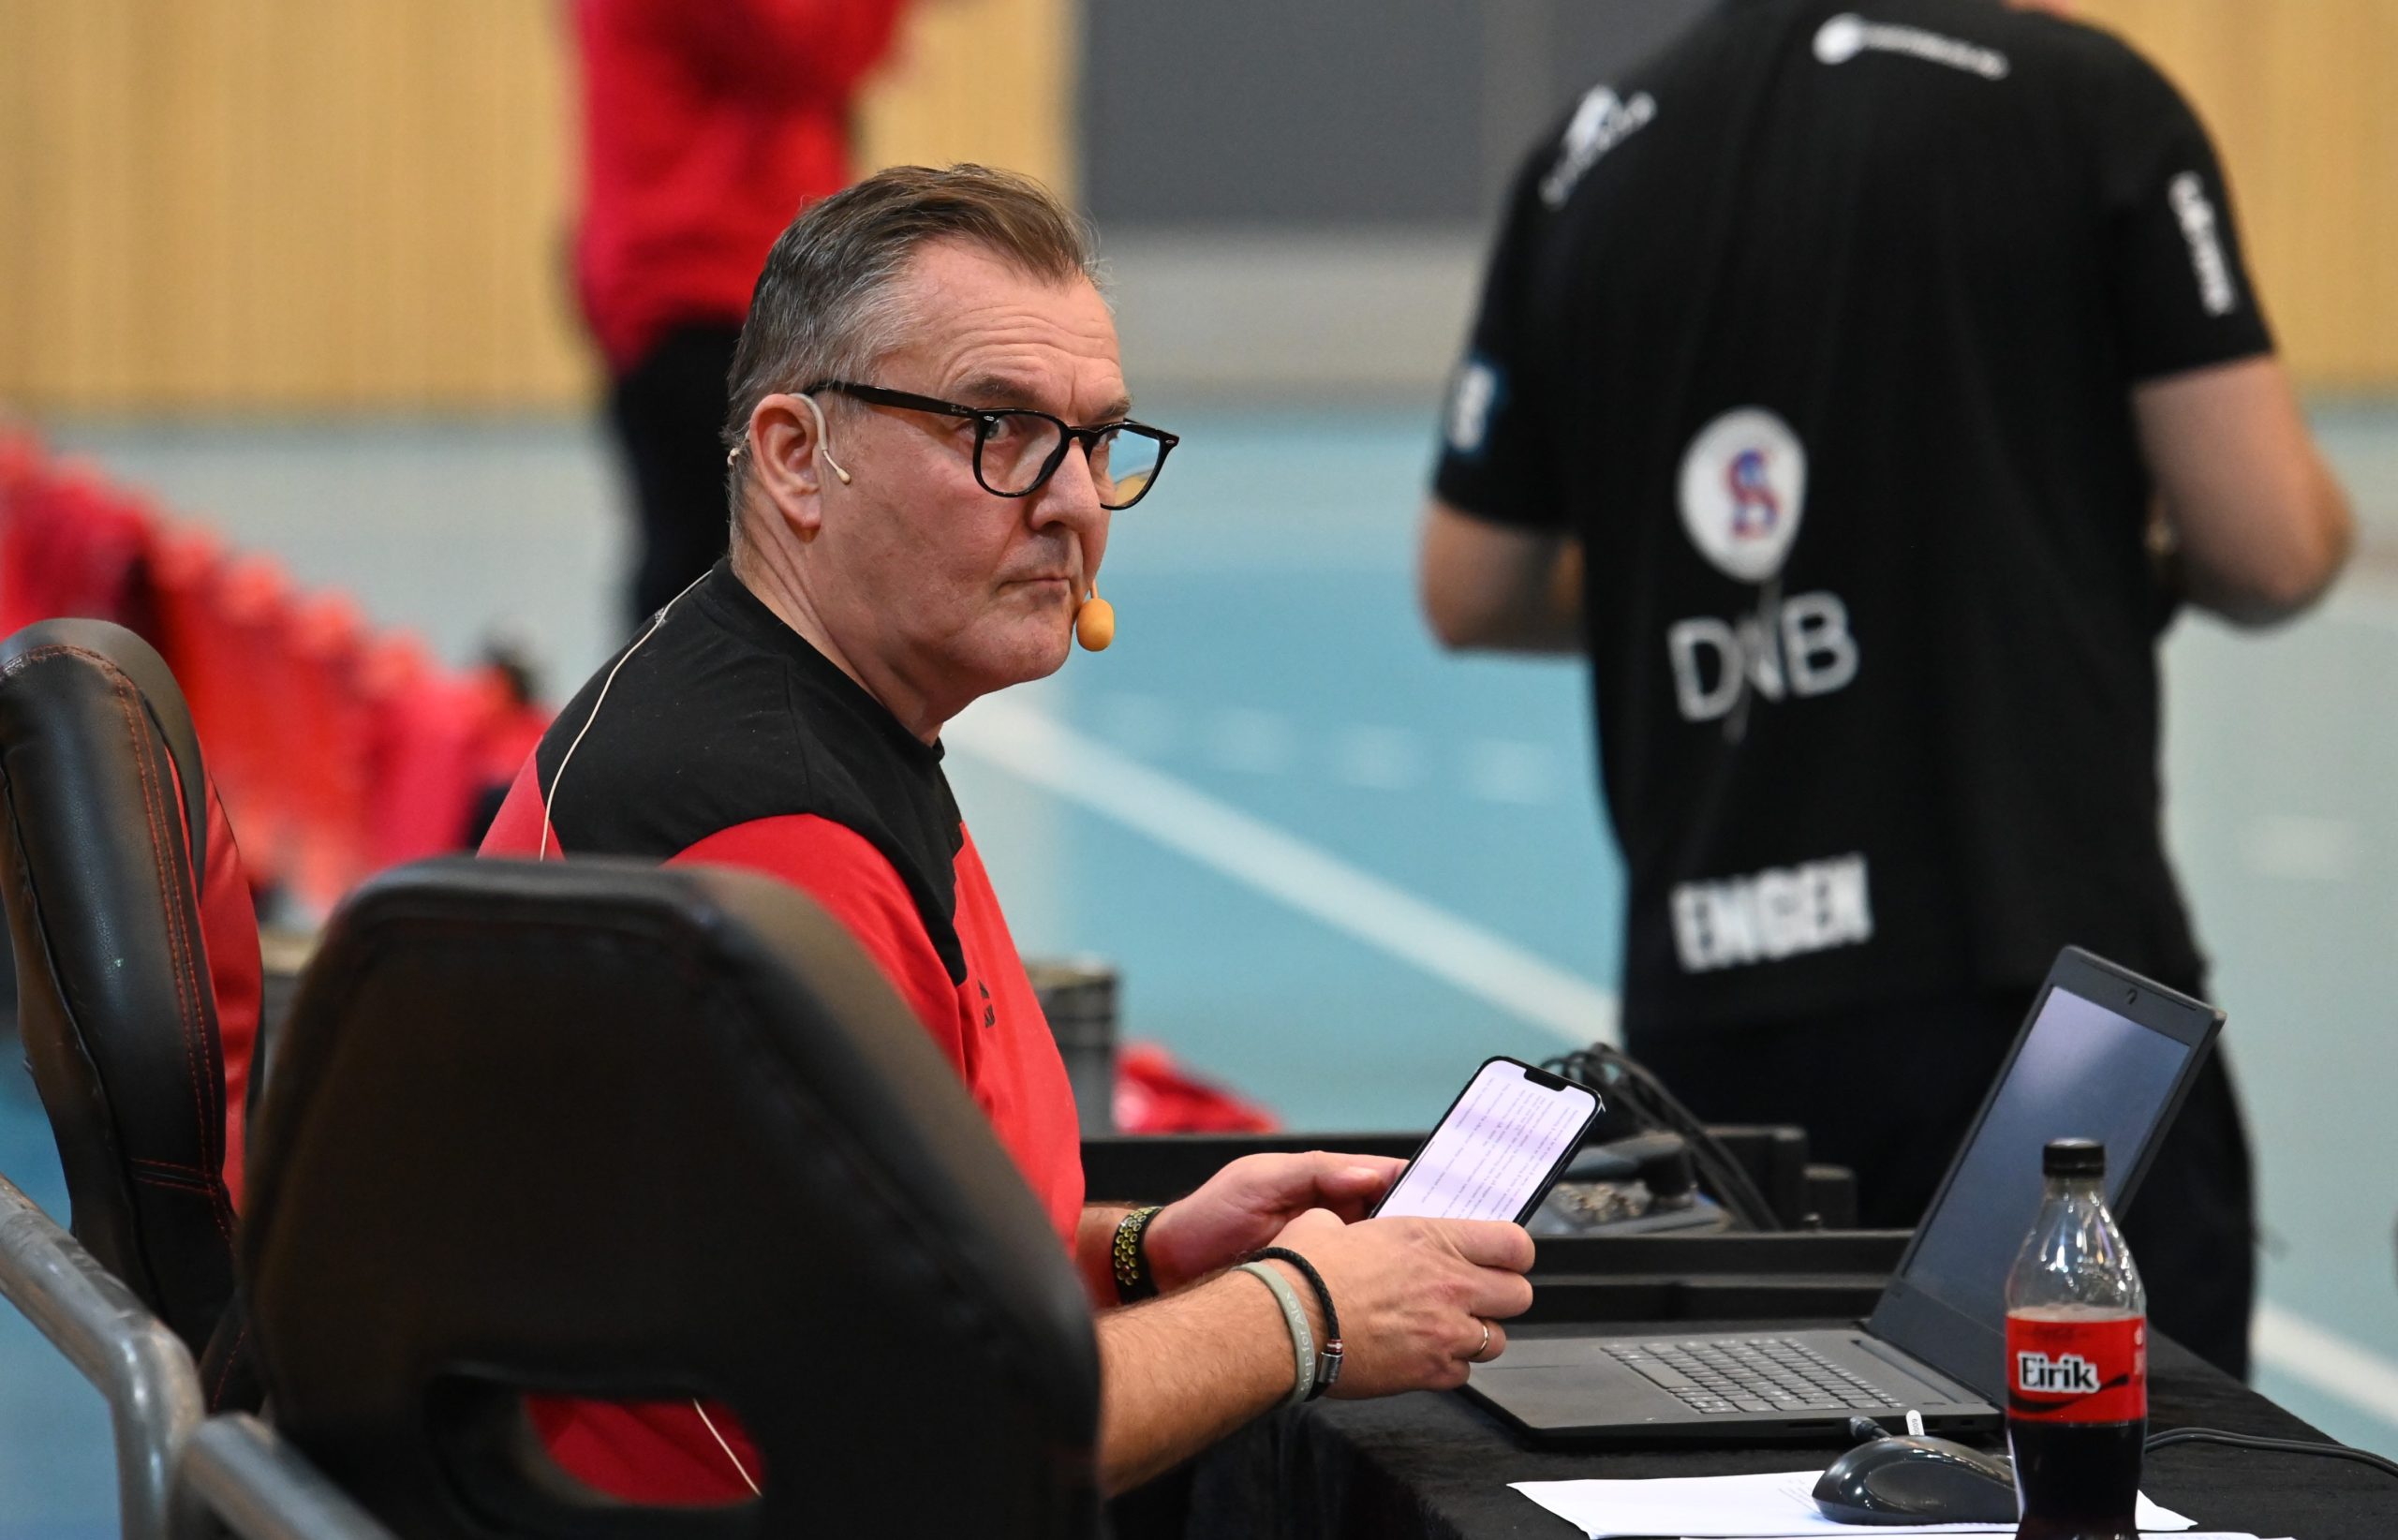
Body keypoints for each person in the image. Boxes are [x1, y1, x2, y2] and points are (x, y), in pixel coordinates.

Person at [485, 164, 1536, 1500]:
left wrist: (1146, 1252)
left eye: (1096, 441)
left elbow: (866, 1264)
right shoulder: (772, 843)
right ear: (798, 457)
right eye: (1000, 428)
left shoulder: (800, 715)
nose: (1075, 503)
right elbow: (929, 1438)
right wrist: (1300, 1312)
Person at [1416, 0, 2351, 1379]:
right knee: (2110, 1459)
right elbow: (2268, 546)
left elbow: (1472, 584)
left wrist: (1699, 582)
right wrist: (2078, 547)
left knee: (1765, 1443)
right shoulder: (2083, 100)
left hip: (1716, 1003)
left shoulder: (1586, 157)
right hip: (2036, 994)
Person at [571, 0, 910, 626]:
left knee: (717, 566)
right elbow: (801, 48)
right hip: (706, 282)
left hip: (702, 277)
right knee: (719, 579)